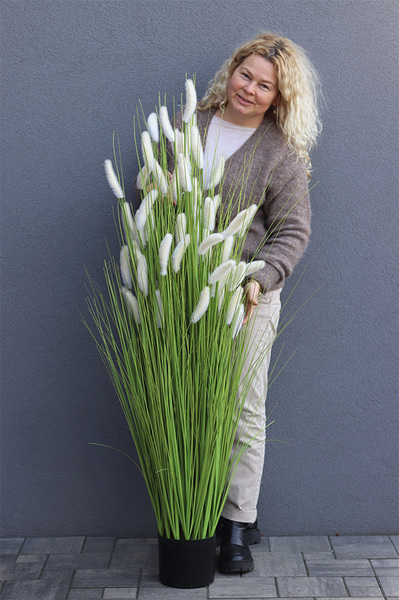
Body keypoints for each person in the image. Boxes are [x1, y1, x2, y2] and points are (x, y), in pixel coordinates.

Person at [193, 32, 322, 574]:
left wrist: (263, 277)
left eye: (264, 85)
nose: (250, 89)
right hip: (186, 288)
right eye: (245, 75)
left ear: (278, 97)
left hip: (249, 295)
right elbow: (150, 191)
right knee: (195, 401)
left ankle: (238, 523)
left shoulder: (280, 152)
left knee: (245, 410)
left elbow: (293, 230)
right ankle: (201, 511)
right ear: (231, 72)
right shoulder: (192, 125)